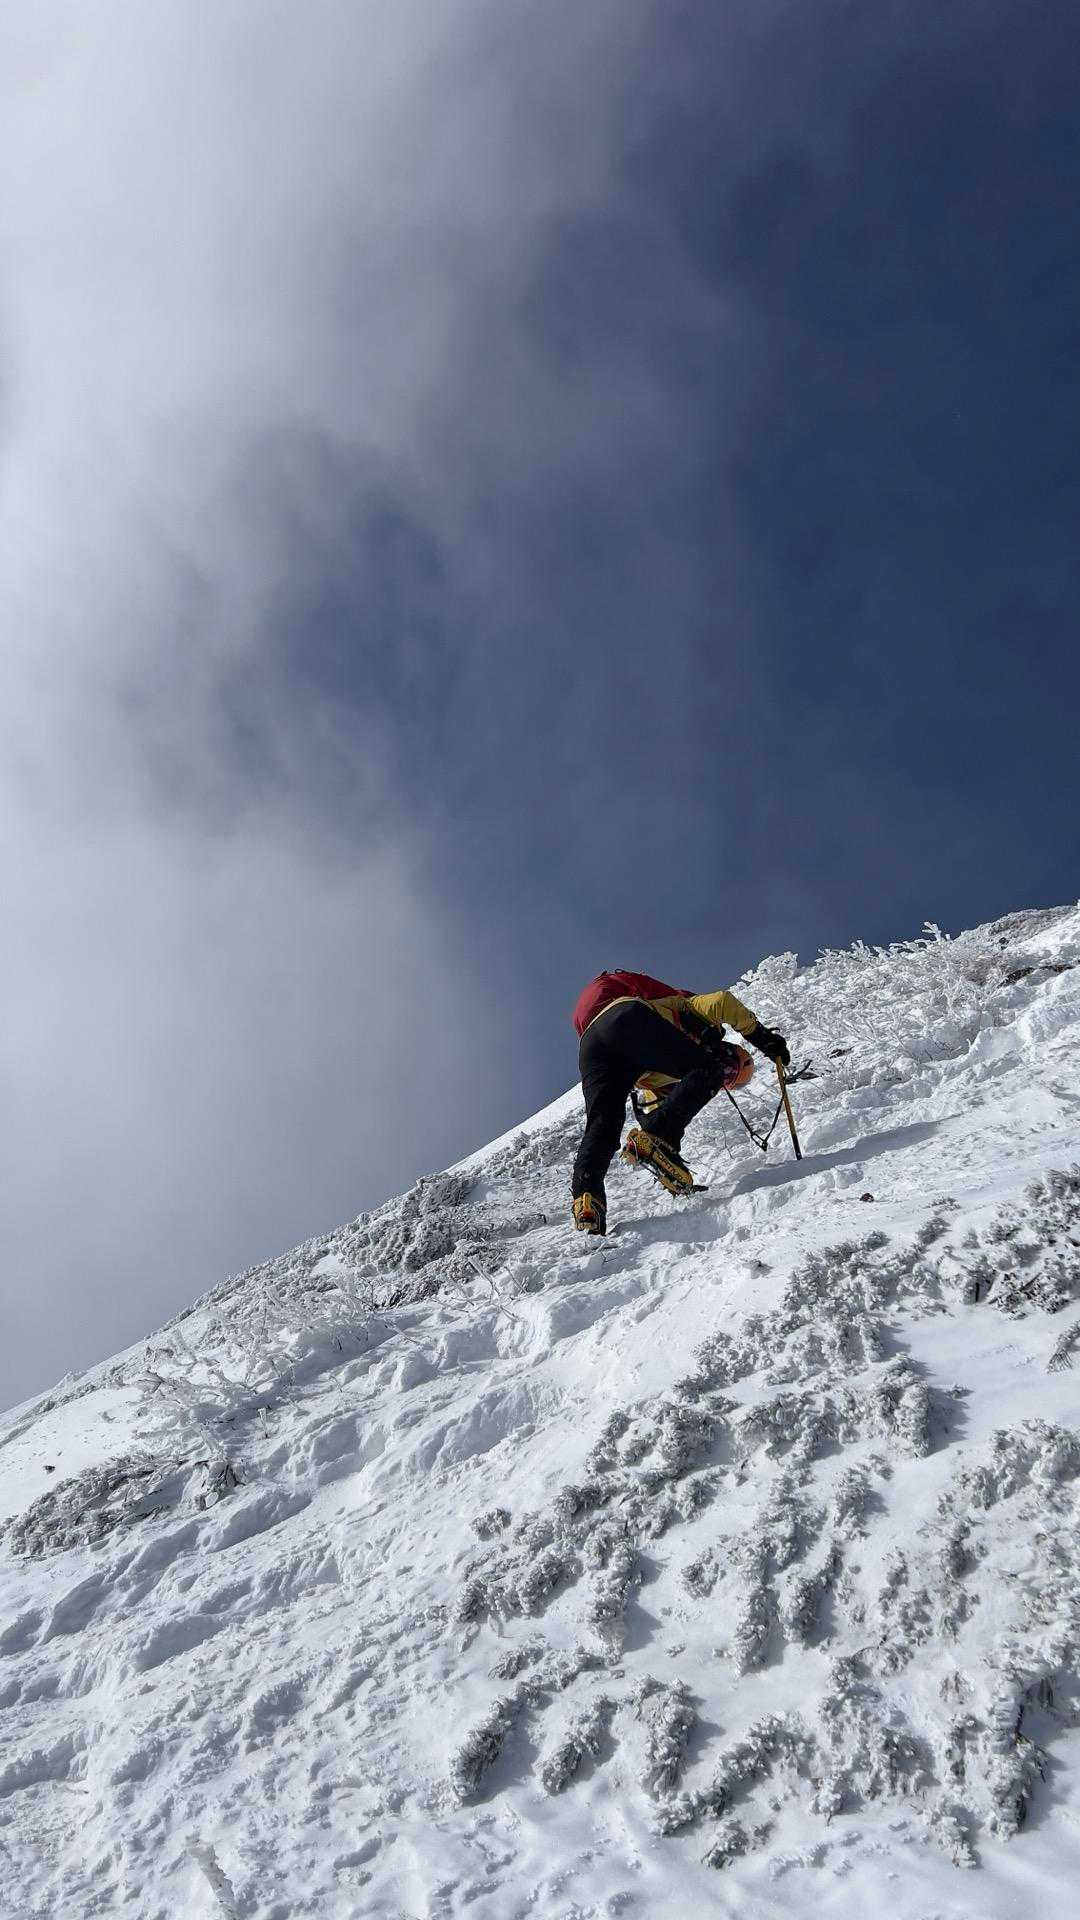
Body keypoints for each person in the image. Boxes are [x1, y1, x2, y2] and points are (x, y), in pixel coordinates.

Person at [570, 969, 790, 1235]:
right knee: (706, 1071)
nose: (725, 1075)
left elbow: (656, 1116)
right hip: (625, 1016)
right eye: (730, 1068)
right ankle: (646, 1150)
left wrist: (667, 1162)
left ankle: (588, 1200)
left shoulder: (669, 1071)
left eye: (730, 1078)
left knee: (603, 1124)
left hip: (592, 1045)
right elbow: (723, 1001)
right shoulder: (696, 1016)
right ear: (727, 1049)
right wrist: (763, 1038)